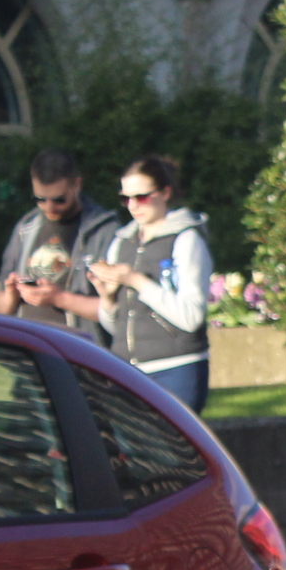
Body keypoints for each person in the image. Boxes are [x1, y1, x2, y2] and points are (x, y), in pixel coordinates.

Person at [90, 155, 213, 413]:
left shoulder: (186, 239)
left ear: (165, 193)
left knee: (172, 451)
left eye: (142, 197)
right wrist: (108, 299)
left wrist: (136, 281)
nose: (133, 206)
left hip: (177, 368)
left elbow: (191, 317)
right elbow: (115, 326)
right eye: (125, 198)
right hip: (128, 370)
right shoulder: (121, 243)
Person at [0, 148, 119, 343]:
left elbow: (117, 312)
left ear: (77, 185)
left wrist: (59, 298)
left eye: (59, 200)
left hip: (82, 350)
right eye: (40, 199)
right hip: (30, 348)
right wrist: (11, 295)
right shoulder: (25, 228)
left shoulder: (104, 230)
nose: (49, 207)